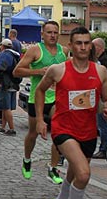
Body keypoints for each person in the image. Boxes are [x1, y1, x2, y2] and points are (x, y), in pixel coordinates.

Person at [35, 26, 107, 199]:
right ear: (70, 46)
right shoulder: (58, 70)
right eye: (78, 43)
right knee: (83, 174)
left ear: (91, 46)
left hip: (88, 131)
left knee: (74, 172)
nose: (83, 47)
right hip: (63, 129)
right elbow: (40, 90)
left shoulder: (100, 72)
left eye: (86, 43)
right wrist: (41, 119)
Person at [14, 21, 68, 182]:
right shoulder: (35, 50)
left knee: (59, 132)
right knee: (33, 134)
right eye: (49, 32)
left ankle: (53, 167)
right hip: (37, 98)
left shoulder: (64, 51)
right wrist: (39, 71)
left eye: (55, 33)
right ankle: (27, 159)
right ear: (42, 34)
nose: (52, 35)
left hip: (56, 99)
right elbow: (16, 71)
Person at [92, 38, 107, 159]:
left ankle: (104, 147)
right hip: (99, 96)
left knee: (102, 124)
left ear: (100, 48)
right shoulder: (100, 60)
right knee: (99, 124)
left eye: (94, 46)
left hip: (102, 97)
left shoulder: (103, 61)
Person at [0, 39, 20, 136]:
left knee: (6, 107)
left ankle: (12, 129)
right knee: (5, 107)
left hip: (6, 84)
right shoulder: (16, 55)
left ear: (3, 47)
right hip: (14, 83)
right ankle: (3, 127)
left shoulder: (5, 55)